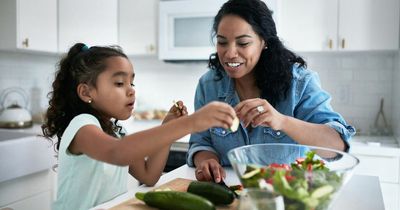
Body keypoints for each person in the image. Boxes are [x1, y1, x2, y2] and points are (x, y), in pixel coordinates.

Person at [41, 43, 236, 210]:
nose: (131, 91)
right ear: (86, 92)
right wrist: (191, 123)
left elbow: (148, 175)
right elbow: (117, 153)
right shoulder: (82, 125)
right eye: (119, 83)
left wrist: (167, 127)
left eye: (132, 83)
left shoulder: (118, 133)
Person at [187, 0, 356, 183]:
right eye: (222, 42)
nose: (229, 53)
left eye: (243, 43)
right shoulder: (208, 84)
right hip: (229, 194)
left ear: (264, 42)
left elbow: (337, 147)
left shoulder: (300, 82)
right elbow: (201, 142)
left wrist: (282, 121)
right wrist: (207, 160)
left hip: (287, 195)